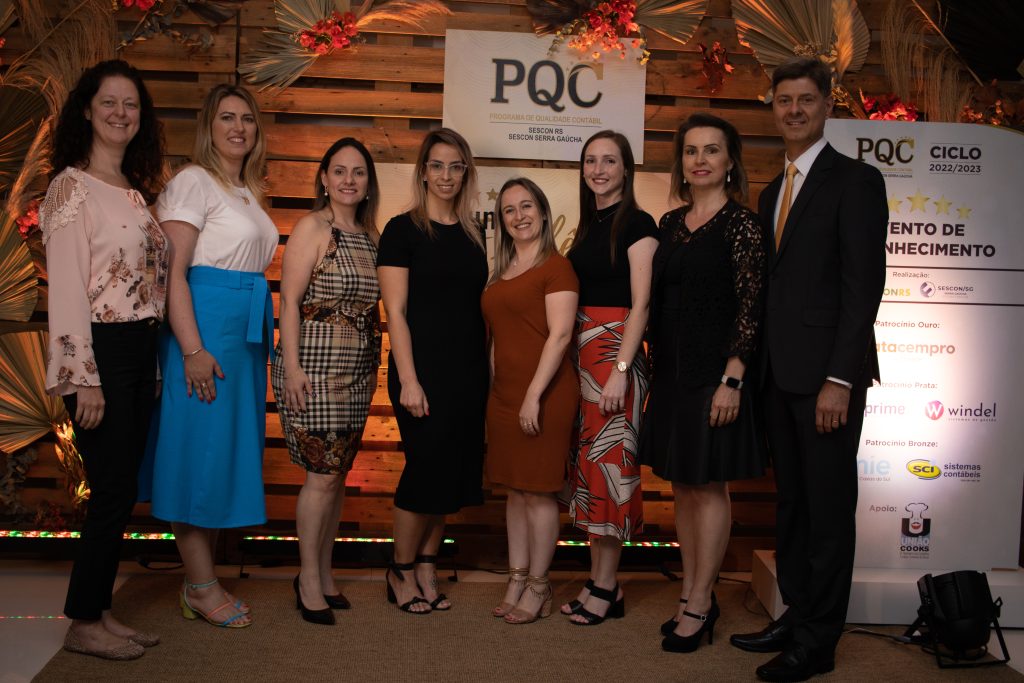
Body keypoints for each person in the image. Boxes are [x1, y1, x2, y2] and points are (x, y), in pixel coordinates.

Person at [728, 57, 887, 682]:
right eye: (784, 100)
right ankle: (795, 616)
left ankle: (819, 642)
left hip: (827, 383)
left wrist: (840, 380)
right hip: (778, 378)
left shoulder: (856, 181)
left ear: (827, 105)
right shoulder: (772, 192)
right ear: (773, 108)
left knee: (828, 511)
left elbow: (862, 289)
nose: (794, 110)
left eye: (806, 100)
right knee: (792, 505)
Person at [42, 59, 167, 660]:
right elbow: (67, 289)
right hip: (100, 352)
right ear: (88, 111)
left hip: (139, 351)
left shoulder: (133, 191)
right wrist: (82, 378)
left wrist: (154, 364)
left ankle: (101, 610)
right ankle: (83, 622)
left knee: (121, 492)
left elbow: (145, 286)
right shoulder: (70, 187)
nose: (121, 113)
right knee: (112, 490)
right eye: (110, 102)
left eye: (131, 104)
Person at [146, 84, 278, 628]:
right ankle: (201, 586)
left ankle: (200, 579)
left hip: (242, 334)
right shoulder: (193, 181)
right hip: (205, 330)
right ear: (208, 125)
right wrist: (192, 348)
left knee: (220, 452)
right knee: (197, 452)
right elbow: (172, 273)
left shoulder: (246, 189)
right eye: (227, 117)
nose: (238, 128)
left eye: (246, 118)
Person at [637, 114, 767, 652]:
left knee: (710, 487)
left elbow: (751, 306)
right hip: (670, 374)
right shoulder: (669, 223)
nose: (700, 160)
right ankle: (693, 589)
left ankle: (701, 601)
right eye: (691, 151)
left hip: (715, 377)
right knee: (684, 487)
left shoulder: (743, 225)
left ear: (730, 160)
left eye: (712, 150)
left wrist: (733, 379)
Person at [376, 128, 488, 614]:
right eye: (437, 165)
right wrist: (409, 379)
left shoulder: (473, 233)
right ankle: (399, 569)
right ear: (423, 171)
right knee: (424, 471)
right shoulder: (401, 230)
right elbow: (396, 312)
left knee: (450, 474)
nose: (446, 175)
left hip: (467, 374)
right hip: (420, 373)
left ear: (465, 173)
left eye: (455, 166)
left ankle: (427, 565)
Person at [271, 138, 382, 625]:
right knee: (320, 475)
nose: (348, 180)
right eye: (339, 171)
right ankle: (307, 579)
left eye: (358, 172)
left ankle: (324, 570)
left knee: (336, 476)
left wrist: (371, 370)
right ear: (324, 178)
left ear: (368, 182)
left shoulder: (371, 234)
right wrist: (293, 368)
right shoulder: (312, 227)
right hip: (314, 368)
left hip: (357, 372)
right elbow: (290, 302)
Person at [563, 130, 658, 625]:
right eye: (591, 161)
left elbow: (642, 304)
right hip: (584, 358)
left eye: (609, 161)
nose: (598, 170)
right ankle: (599, 581)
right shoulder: (589, 225)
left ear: (626, 169)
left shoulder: (638, 224)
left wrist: (621, 369)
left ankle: (606, 584)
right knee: (590, 470)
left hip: (614, 355)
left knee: (611, 469)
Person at [482, 178, 579, 625]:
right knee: (515, 491)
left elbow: (560, 336)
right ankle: (516, 579)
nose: (519, 216)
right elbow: (499, 337)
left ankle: (540, 584)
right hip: (504, 396)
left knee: (539, 493)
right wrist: (498, 392)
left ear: (542, 211)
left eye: (526, 206)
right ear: (501, 220)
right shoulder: (500, 272)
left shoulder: (557, 268)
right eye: (509, 210)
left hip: (545, 395)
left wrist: (532, 397)